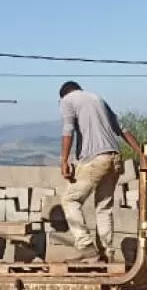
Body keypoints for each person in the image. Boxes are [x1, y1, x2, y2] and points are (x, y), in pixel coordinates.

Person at [58, 81, 141, 263]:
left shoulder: (67, 100)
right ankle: (106, 254)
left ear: (64, 95)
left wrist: (64, 160)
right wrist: (142, 153)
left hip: (96, 160)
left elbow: (68, 129)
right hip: (115, 159)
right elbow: (122, 129)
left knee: (70, 199)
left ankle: (85, 245)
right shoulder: (98, 99)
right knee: (103, 208)